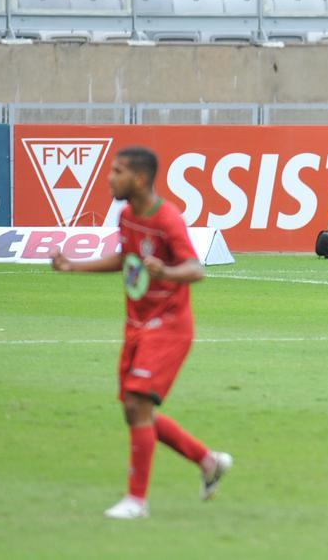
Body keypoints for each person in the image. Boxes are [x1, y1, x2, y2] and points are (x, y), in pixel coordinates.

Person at [51, 147, 231, 519]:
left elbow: (196, 269)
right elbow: (125, 258)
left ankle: (137, 501)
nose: (109, 178)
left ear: (140, 178)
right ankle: (208, 461)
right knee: (135, 411)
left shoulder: (168, 219)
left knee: (137, 405)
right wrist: (75, 267)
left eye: (117, 171)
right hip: (136, 325)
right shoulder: (128, 214)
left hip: (168, 327)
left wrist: (165, 272)